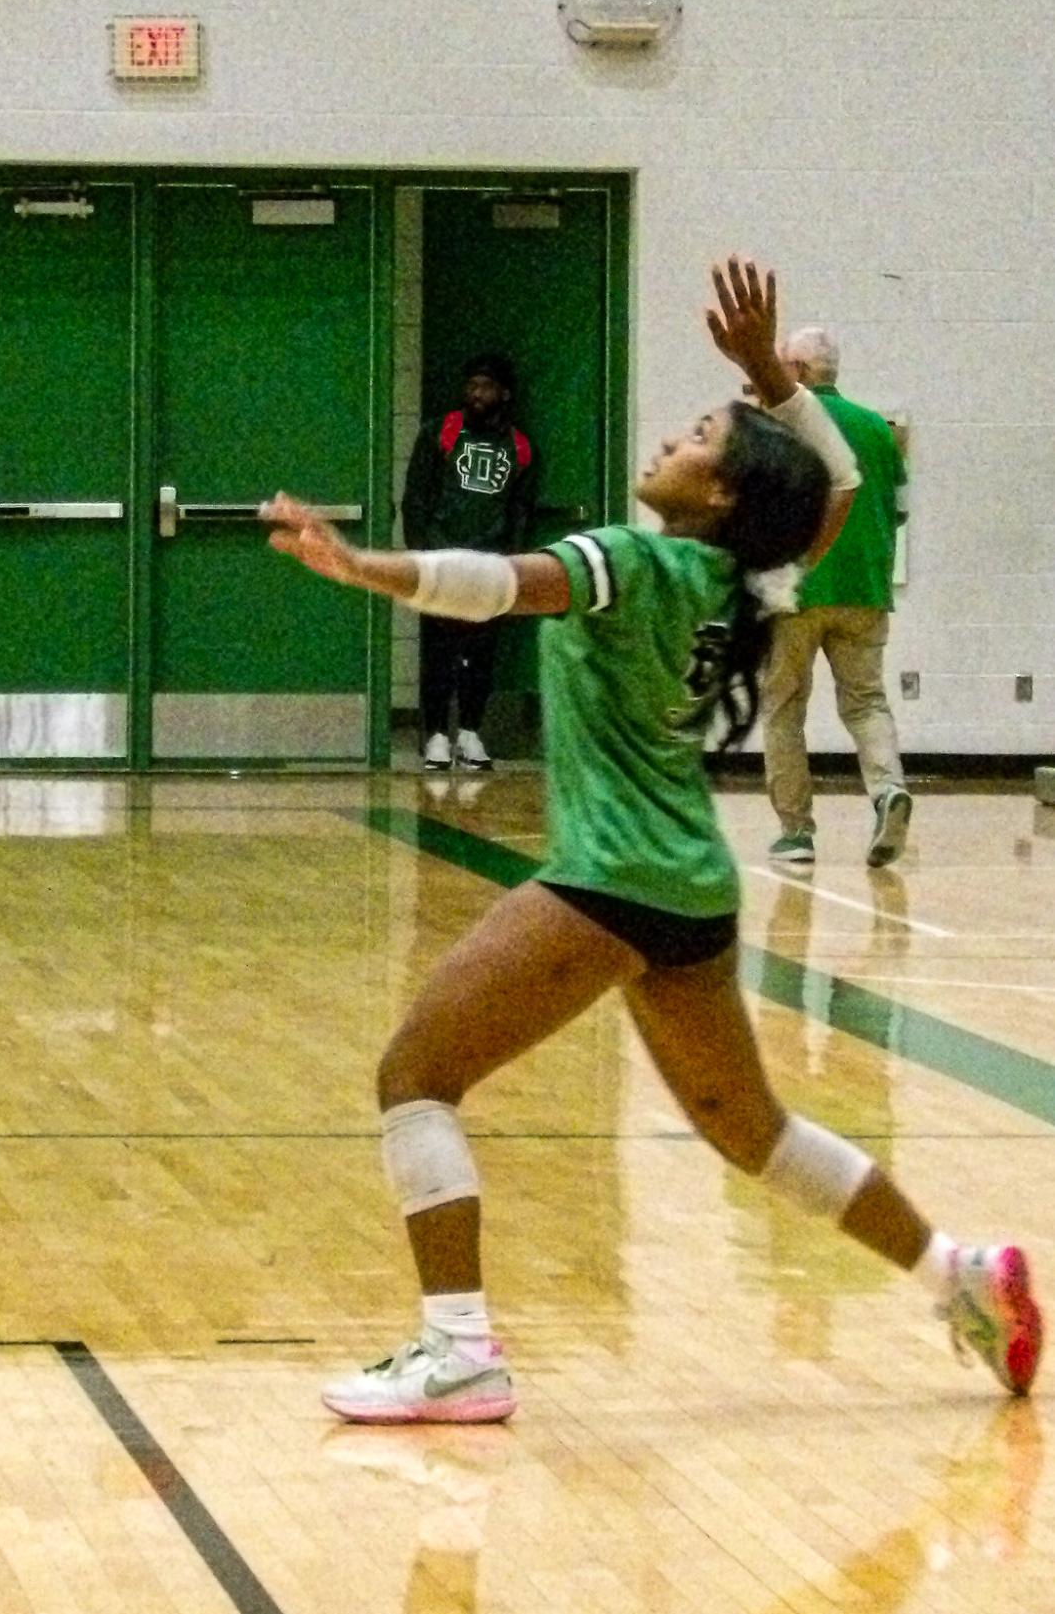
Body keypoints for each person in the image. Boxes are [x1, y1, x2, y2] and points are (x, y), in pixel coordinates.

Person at [263, 258, 1040, 1424]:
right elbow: (830, 490)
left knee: (414, 1076)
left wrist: (361, 564)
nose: (668, 440)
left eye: (691, 436)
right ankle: (960, 1276)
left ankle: (457, 1350)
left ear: (717, 494)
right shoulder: (741, 587)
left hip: (606, 882)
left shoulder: (621, 563)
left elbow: (491, 584)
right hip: (688, 893)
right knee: (753, 1133)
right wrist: (767, 378)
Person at [761, 326, 912, 869]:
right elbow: (899, 509)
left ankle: (796, 833)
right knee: (867, 702)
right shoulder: (878, 427)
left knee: (782, 710)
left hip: (796, 590)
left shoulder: (782, 423)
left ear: (798, 371)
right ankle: (887, 790)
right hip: (865, 591)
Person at [401, 353, 537, 772]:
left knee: (481, 653)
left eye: (486, 386)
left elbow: (520, 510)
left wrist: (513, 562)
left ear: (504, 394)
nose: (476, 394)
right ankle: (437, 735)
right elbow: (415, 498)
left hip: (491, 562)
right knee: (439, 650)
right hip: (442, 558)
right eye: (472, 385)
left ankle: (472, 732)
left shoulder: (520, 446)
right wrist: (421, 553)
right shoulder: (440, 432)